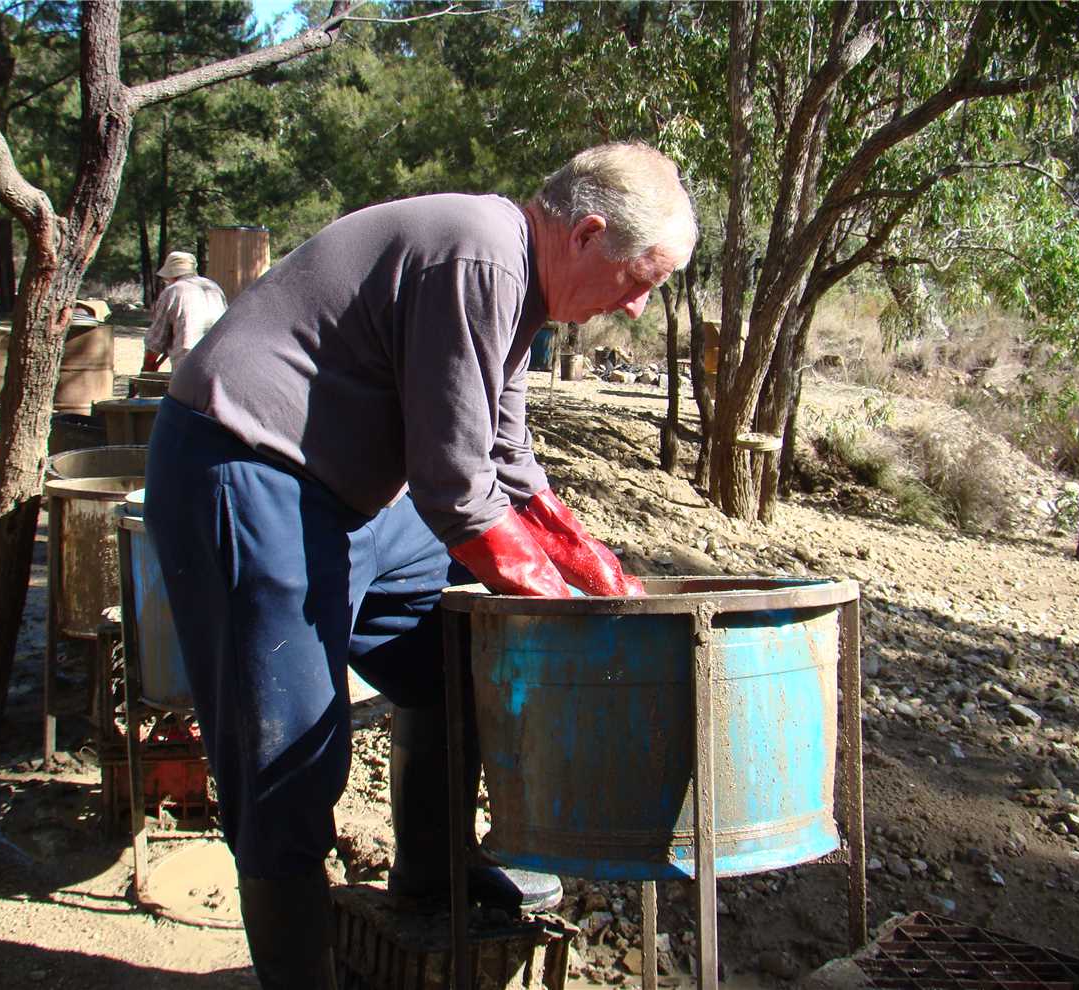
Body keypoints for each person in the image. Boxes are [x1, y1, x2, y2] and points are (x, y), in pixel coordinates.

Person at [144, 143, 696, 989]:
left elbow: (509, 463)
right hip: (244, 469)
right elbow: (457, 493)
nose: (635, 306)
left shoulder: (521, 290)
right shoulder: (481, 257)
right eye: (638, 281)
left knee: (455, 657)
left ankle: (434, 873)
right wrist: (580, 623)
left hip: (346, 499)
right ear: (587, 234)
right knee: (288, 764)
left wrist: (603, 575)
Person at [141, 250, 228, 373]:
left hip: (188, 365)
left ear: (172, 274)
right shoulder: (213, 287)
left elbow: (156, 341)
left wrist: (147, 368)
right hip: (220, 361)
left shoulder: (173, 291)